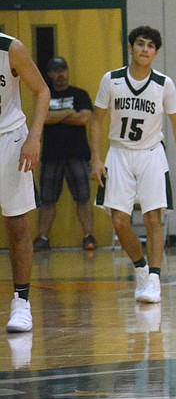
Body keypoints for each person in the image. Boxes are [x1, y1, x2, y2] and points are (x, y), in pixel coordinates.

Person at [89, 25, 176, 305]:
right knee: (119, 220)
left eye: (150, 46)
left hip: (150, 153)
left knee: (153, 218)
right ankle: (140, 267)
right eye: (141, 44)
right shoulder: (111, 80)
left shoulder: (163, 84)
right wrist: (96, 158)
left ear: (156, 53)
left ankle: (154, 278)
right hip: (119, 153)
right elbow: (95, 120)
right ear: (131, 47)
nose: (145, 49)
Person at [0, 33, 50, 333]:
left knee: (16, 224)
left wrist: (34, 136)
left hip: (9, 139)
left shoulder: (10, 48)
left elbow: (42, 90)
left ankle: (21, 303)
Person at [33, 56, 97, 252]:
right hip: (51, 156)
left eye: (63, 69)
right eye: (55, 70)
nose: (60, 74)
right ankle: (42, 238)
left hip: (77, 154)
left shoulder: (80, 94)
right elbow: (43, 118)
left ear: (67, 72)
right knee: (48, 200)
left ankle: (88, 237)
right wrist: (69, 112)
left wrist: (56, 116)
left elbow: (84, 118)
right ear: (50, 74)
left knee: (83, 198)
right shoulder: (44, 95)